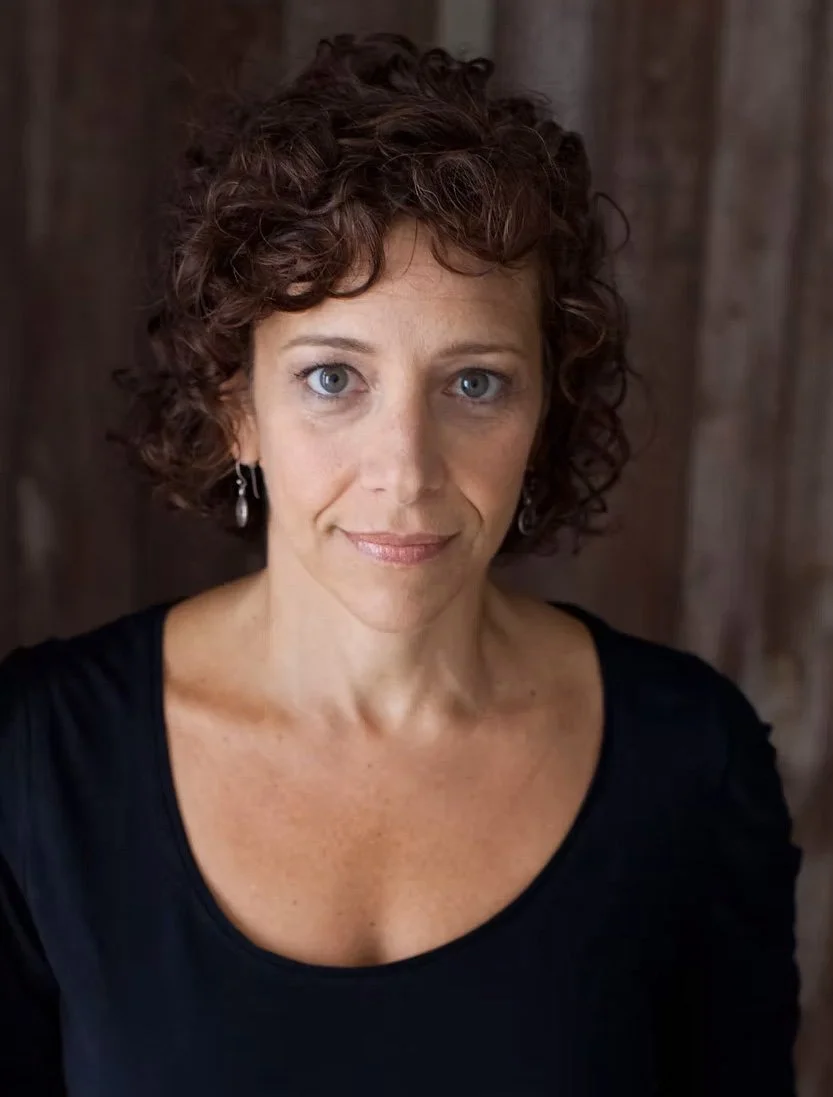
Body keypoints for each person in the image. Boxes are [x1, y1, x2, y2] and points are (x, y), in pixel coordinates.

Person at [0, 32, 801, 1097]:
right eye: (333, 378)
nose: (406, 470)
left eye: (473, 384)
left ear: (541, 412)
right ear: (237, 409)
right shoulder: (36, 759)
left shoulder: (690, 760)